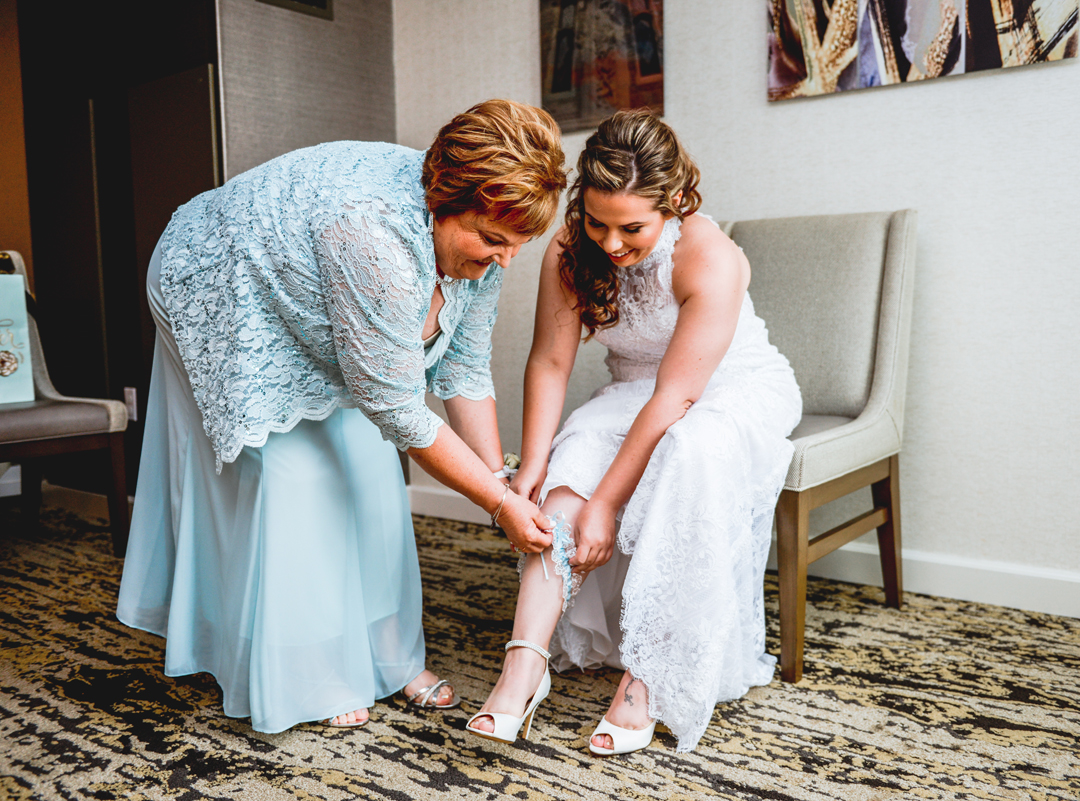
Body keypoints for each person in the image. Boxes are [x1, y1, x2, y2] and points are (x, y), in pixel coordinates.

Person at [116, 99, 566, 733]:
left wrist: (497, 474)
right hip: (220, 272)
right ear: (443, 201)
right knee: (296, 479)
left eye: (516, 245)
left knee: (366, 465)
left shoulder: (490, 239)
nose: (505, 258)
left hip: (311, 279)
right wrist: (497, 504)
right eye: (493, 241)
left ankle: (387, 656)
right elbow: (398, 408)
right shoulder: (368, 230)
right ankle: (305, 671)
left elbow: (462, 368)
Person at [466, 109, 802, 754]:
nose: (611, 244)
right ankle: (523, 667)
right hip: (632, 389)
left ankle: (647, 677)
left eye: (632, 228)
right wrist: (532, 466)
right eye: (597, 222)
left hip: (730, 388)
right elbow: (551, 360)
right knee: (572, 461)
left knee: (691, 451)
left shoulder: (711, 257)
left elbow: (678, 395)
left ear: (674, 202)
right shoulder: (569, 248)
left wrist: (609, 504)